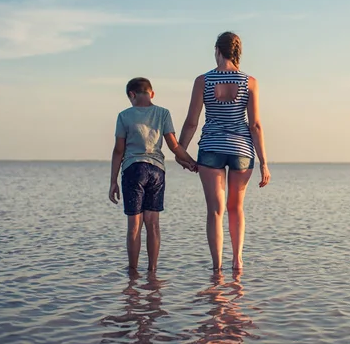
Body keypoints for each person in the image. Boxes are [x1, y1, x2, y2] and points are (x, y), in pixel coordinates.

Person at [177, 32, 271, 271]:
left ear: (217, 50)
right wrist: (264, 162)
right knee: (236, 209)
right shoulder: (249, 82)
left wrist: (180, 150)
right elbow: (255, 125)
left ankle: (217, 267)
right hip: (241, 150)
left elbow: (191, 122)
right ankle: (237, 261)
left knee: (215, 212)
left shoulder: (203, 81)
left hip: (211, 148)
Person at [109, 77, 197, 273]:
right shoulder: (163, 113)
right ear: (152, 93)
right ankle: (153, 271)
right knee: (153, 224)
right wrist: (191, 162)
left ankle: (132, 273)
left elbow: (118, 150)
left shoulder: (124, 116)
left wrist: (113, 181)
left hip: (133, 169)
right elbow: (174, 146)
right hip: (156, 171)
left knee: (134, 225)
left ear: (131, 95)